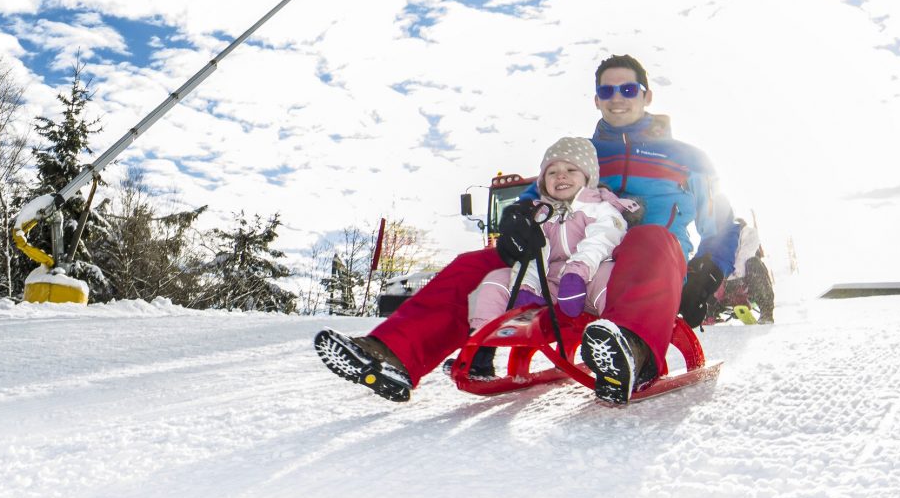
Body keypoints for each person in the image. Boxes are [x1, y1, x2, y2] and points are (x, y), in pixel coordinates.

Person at [314, 54, 740, 404]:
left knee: (650, 237)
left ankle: (630, 351)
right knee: (477, 264)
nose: (618, 98)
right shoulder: (580, 155)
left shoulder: (687, 157)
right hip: (569, 262)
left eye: (628, 89)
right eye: (607, 91)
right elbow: (535, 199)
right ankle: (392, 354)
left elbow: (720, 220)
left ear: (646, 95)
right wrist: (517, 218)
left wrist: (708, 272)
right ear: (596, 100)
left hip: (648, 264)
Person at [462, 136, 641, 377]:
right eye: (552, 172)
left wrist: (577, 272)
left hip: (590, 280)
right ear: (543, 183)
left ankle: (620, 344)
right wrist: (527, 288)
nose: (561, 176)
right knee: (496, 279)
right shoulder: (540, 216)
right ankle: (480, 353)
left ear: (588, 177)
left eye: (570, 169)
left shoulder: (601, 208)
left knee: (611, 279)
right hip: (553, 288)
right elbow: (534, 257)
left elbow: (602, 239)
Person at [706, 219, 776, 324]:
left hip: (748, 287)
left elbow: (744, 256)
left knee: (753, 262)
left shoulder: (748, 233)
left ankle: (766, 313)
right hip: (724, 290)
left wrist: (734, 280)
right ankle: (709, 313)